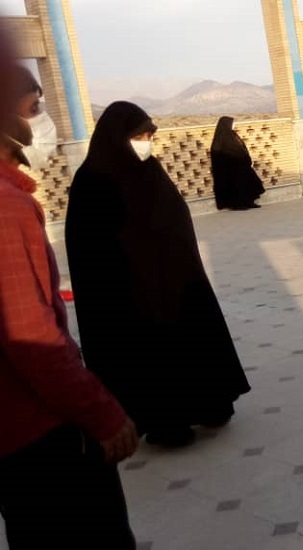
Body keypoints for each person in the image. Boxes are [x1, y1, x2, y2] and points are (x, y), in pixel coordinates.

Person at [1, 40, 139, 549]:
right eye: (34, 107)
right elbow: (30, 336)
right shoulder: (6, 208)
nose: (44, 120)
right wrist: (102, 413)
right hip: (40, 430)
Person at [65, 101, 251, 447]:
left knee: (190, 339)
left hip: (176, 279)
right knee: (152, 356)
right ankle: (166, 421)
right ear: (118, 137)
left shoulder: (150, 170)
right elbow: (89, 249)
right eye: (139, 137)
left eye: (149, 136)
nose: (146, 143)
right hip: (131, 293)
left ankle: (209, 403)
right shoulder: (93, 181)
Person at [209, 116, 265, 210]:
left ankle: (249, 202)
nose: (234, 124)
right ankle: (238, 204)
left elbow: (241, 147)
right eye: (232, 123)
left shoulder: (233, 134)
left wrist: (246, 158)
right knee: (237, 186)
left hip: (242, 165)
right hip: (231, 168)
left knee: (249, 182)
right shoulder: (221, 136)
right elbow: (217, 152)